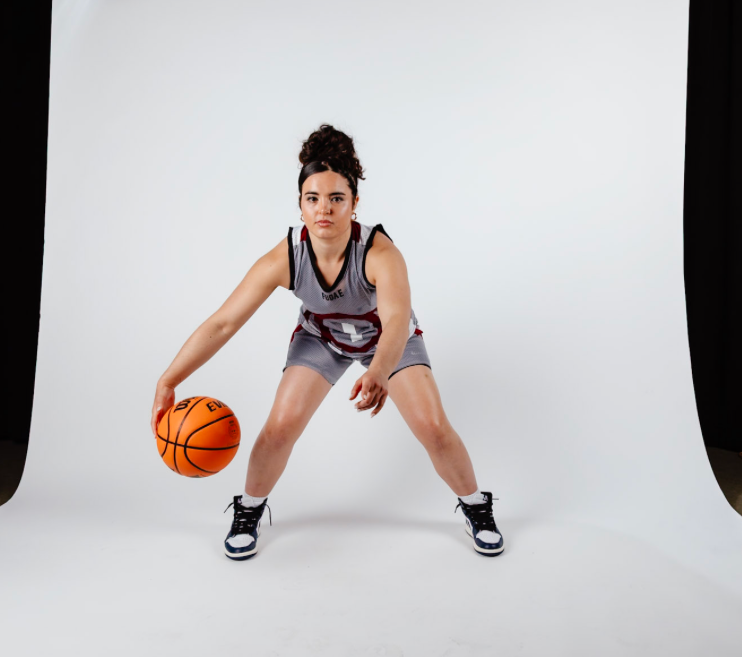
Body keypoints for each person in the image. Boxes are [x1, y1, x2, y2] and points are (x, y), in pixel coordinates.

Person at [150, 125, 503, 560]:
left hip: (385, 341)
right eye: (313, 198)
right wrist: (169, 379)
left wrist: (378, 372)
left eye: (337, 198)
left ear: (354, 204)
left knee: (432, 427)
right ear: (300, 205)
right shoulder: (285, 257)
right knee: (279, 427)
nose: (325, 209)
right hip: (323, 337)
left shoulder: (380, 253)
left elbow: (395, 322)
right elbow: (224, 323)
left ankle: (475, 505)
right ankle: (249, 509)